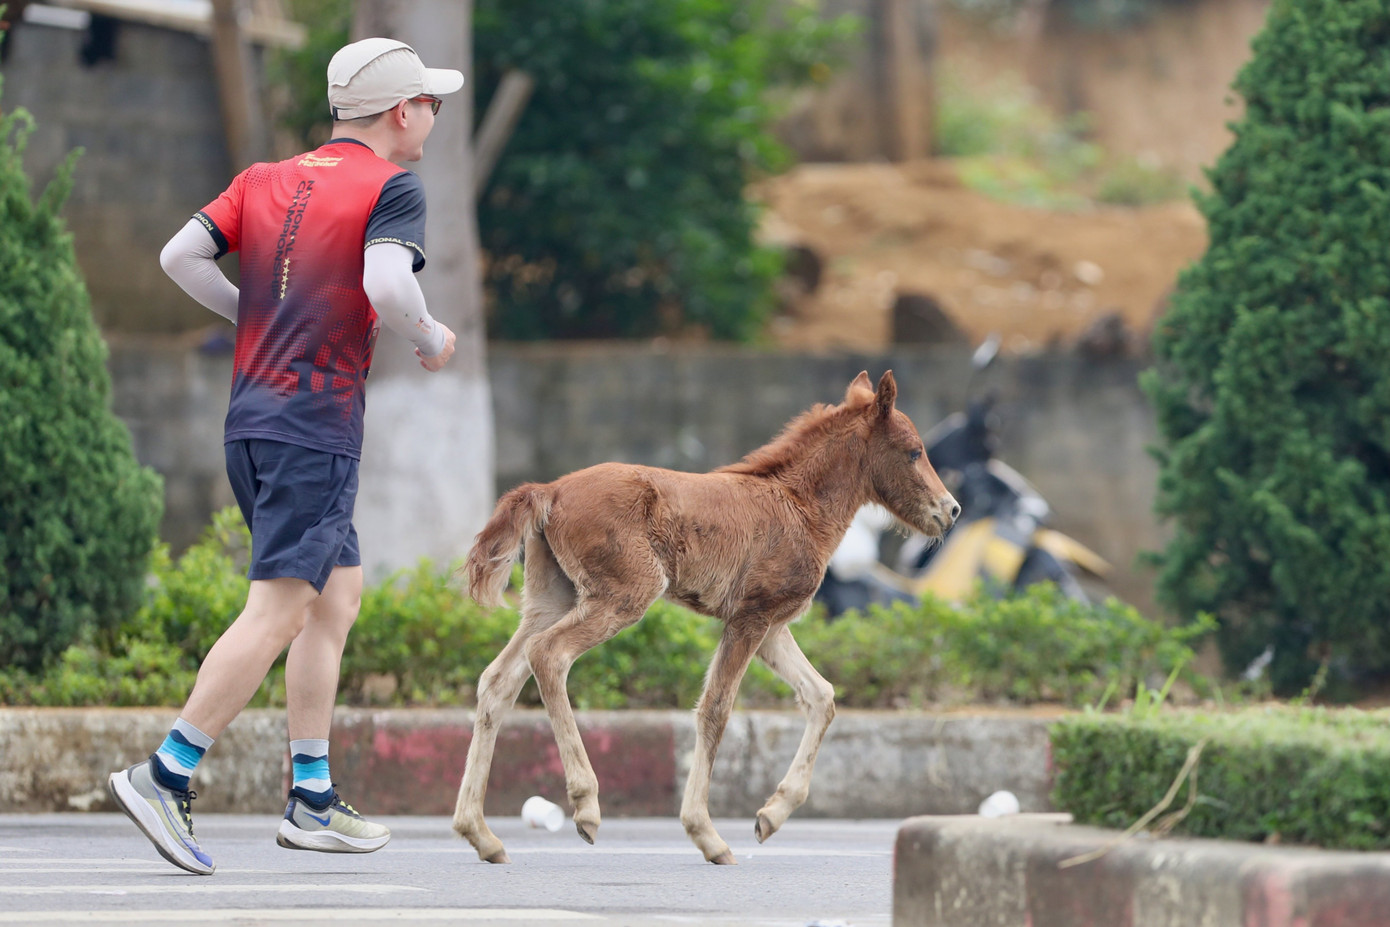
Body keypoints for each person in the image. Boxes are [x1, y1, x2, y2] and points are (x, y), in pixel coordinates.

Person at [107, 37, 462, 876]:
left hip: (253, 419)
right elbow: (388, 286)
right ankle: (165, 773)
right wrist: (430, 336)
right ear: (402, 111)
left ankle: (311, 797)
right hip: (314, 424)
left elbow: (178, 256)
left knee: (335, 598)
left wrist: (257, 316)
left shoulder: (263, 178)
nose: (434, 116)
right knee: (277, 609)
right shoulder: (392, 186)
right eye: (431, 102)